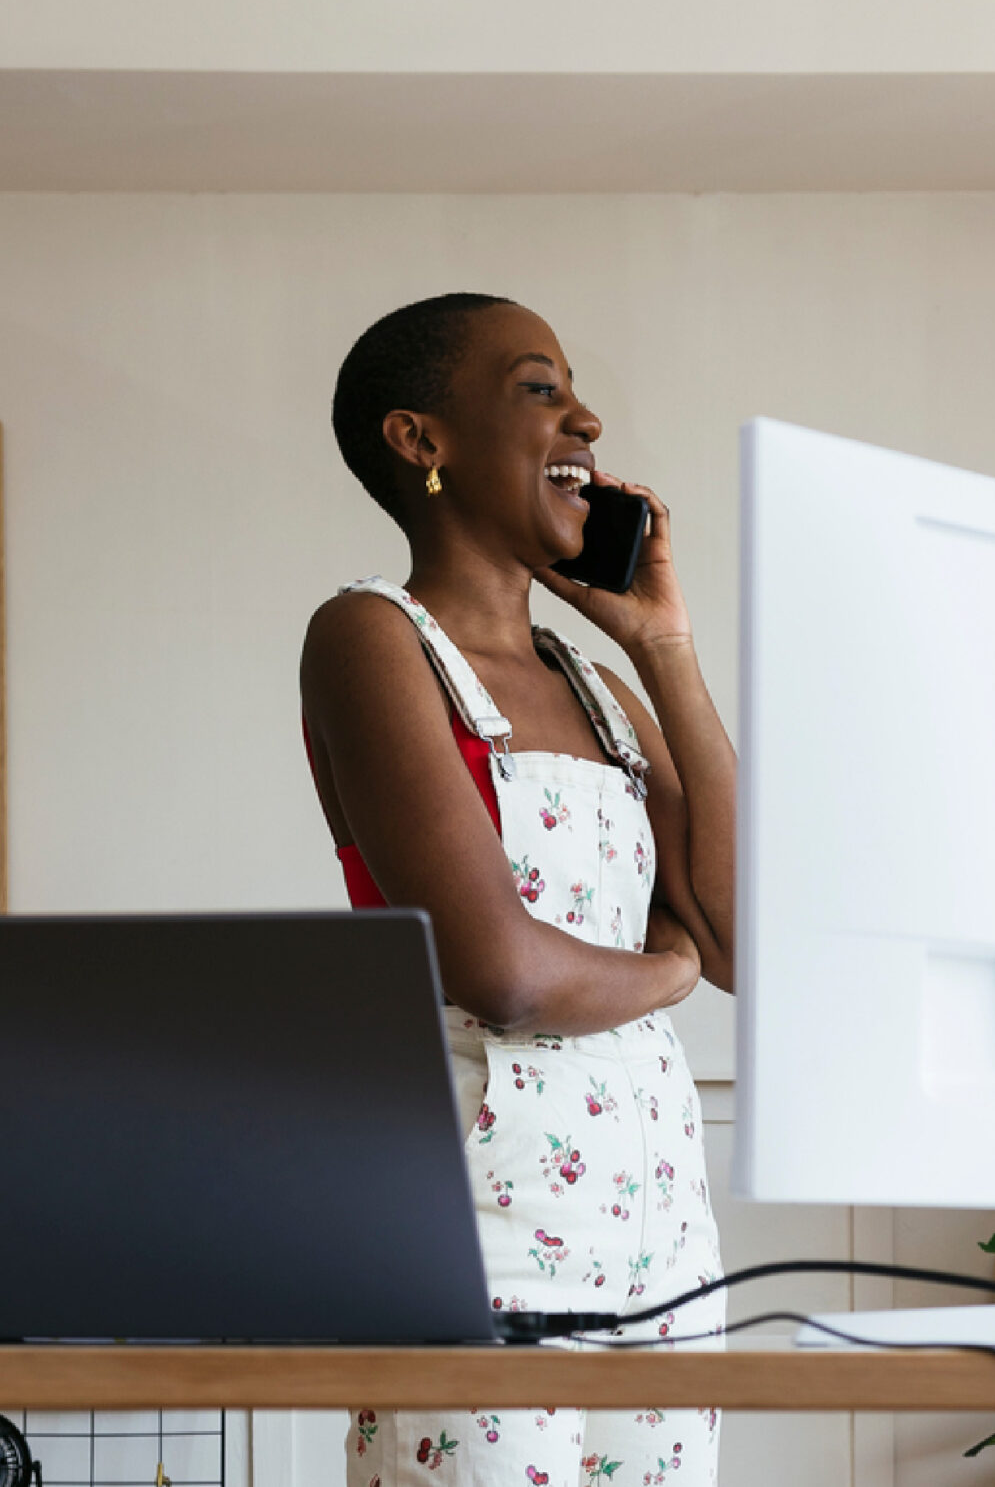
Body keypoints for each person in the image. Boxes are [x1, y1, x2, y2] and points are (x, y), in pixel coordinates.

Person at [301, 293, 736, 1487]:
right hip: (481, 1223)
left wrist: (667, 655)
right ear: (420, 440)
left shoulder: (598, 684)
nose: (585, 417)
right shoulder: (369, 638)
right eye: (541, 388)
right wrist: (669, 969)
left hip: (664, 1233)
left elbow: (747, 941)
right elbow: (503, 969)